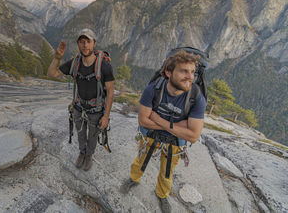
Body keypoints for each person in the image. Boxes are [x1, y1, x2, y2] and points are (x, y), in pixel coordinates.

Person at [120, 50, 206, 213]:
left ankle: (162, 194)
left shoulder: (196, 98)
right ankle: (134, 179)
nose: (190, 77)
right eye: (184, 71)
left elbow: (194, 136)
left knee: (167, 170)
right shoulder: (153, 89)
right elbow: (143, 120)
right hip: (153, 135)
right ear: (168, 72)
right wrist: (178, 126)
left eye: (193, 72)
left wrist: (159, 120)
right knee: (141, 159)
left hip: (172, 141)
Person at [47, 28, 115, 171]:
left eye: (88, 42)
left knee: (93, 133)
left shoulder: (104, 66)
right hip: (78, 106)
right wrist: (57, 58)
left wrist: (106, 116)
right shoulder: (74, 63)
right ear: (78, 44)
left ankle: (89, 155)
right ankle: (82, 152)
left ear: (94, 43)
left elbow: (110, 91)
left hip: (96, 108)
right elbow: (52, 73)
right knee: (80, 132)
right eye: (82, 42)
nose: (85, 45)